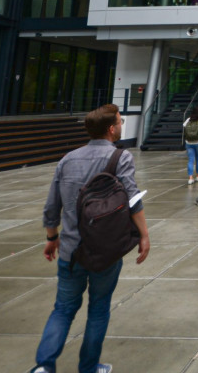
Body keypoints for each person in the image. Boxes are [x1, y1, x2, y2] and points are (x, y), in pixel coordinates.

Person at [29, 104, 150, 373]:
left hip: (71, 250)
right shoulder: (121, 158)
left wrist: (52, 236)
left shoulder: (68, 159)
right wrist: (144, 234)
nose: (122, 125)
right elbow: (132, 200)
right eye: (120, 121)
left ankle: (43, 367)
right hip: (105, 251)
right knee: (99, 307)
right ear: (111, 129)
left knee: (63, 309)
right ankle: (89, 367)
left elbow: (52, 205)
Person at [182, 104, 198, 185]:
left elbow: (184, 126)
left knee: (191, 160)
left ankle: (190, 178)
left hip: (189, 142)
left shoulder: (188, 119)